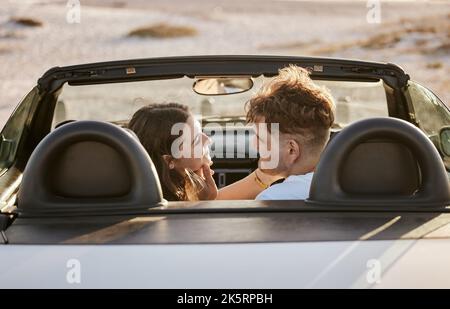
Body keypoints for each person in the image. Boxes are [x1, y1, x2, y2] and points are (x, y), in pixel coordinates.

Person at [245, 64, 335, 200]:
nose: (254, 145)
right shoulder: (357, 185)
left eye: (261, 139)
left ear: (291, 150)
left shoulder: (272, 198)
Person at [128, 103, 218, 201]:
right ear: (169, 161)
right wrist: (205, 202)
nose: (208, 139)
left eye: (201, 131)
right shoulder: (167, 205)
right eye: (196, 140)